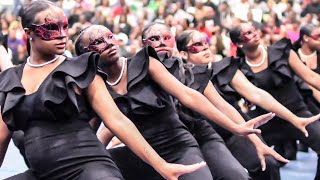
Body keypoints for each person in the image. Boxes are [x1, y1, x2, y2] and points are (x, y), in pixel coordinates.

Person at [0, 1, 208, 179]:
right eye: (51, 28)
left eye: (65, 26)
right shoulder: (11, 80)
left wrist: (161, 165)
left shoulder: (80, 68)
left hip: (88, 169)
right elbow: (1, 137)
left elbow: (117, 120)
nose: (63, 35)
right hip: (41, 174)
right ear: (28, 33)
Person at [74, 24, 272, 180]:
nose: (109, 43)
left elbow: (188, 95)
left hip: (178, 146)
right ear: (84, 54)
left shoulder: (145, 63)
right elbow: (97, 132)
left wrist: (237, 128)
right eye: (98, 42)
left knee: (235, 174)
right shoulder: (93, 85)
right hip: (142, 155)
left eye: (110, 37)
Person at [140, 22, 287, 180]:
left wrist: (256, 141)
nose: (161, 42)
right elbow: (119, 119)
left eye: (167, 37)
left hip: (209, 134)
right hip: (165, 143)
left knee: (245, 173)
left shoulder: (194, 72)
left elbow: (226, 105)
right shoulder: (136, 77)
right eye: (154, 38)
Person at [229, 23, 320, 179]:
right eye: (248, 33)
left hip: (297, 114)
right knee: (261, 160)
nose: (255, 33)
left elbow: (311, 77)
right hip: (265, 122)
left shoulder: (282, 52)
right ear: (238, 43)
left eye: (254, 30)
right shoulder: (237, 68)